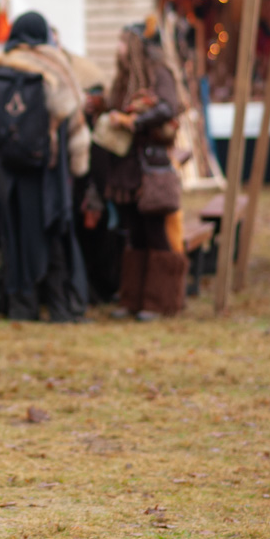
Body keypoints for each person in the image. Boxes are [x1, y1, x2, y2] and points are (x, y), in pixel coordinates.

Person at [0, 11, 91, 321]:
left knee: (12, 237)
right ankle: (59, 306)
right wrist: (78, 168)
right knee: (51, 233)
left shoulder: (1, 67)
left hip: (8, 171)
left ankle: (20, 305)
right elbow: (74, 122)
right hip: (46, 172)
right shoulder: (56, 66)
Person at [94, 22, 187, 320]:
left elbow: (169, 107)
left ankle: (161, 302)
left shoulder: (159, 73)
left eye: (123, 42)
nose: (118, 48)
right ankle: (133, 299)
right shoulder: (124, 78)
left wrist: (135, 121)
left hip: (150, 166)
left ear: (136, 47)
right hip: (127, 166)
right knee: (134, 232)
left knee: (155, 231)